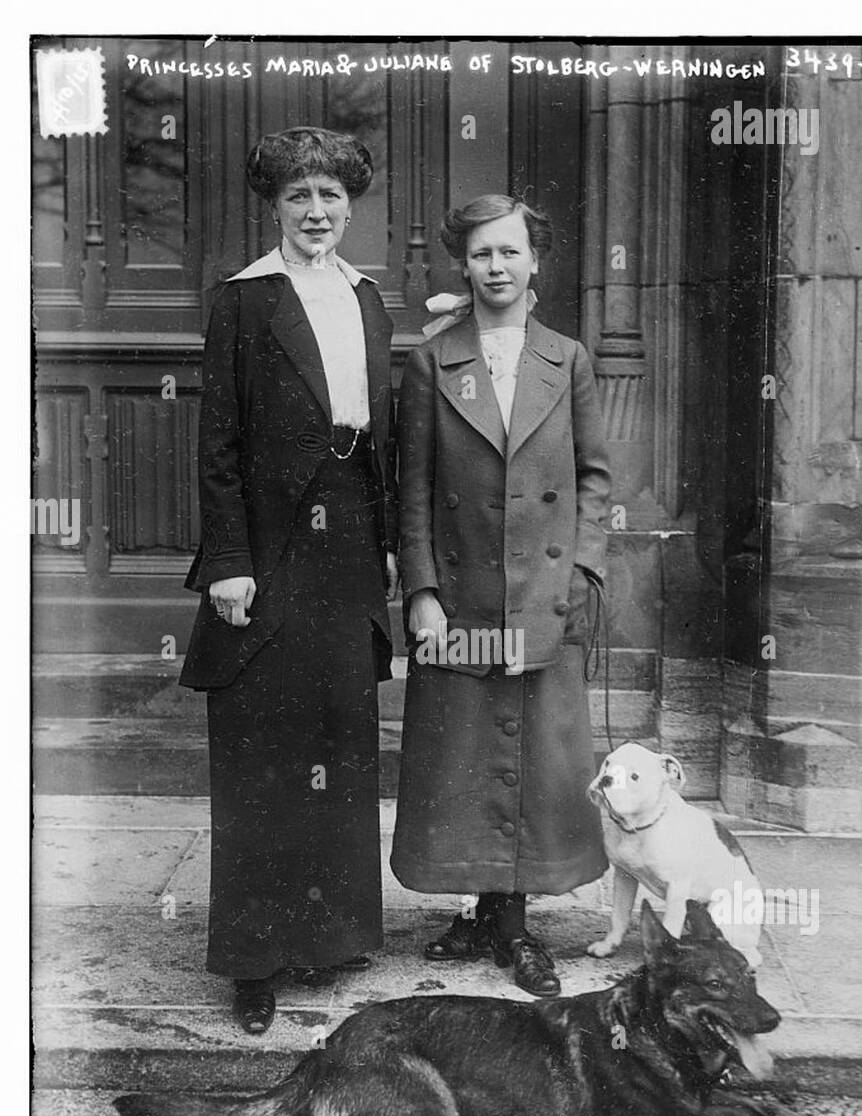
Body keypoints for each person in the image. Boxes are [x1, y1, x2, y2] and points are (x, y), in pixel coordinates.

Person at [180, 127, 398, 1034]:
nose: (318, 213)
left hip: (349, 537)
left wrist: (386, 546)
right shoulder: (244, 300)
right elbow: (220, 444)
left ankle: (330, 935)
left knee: (338, 742)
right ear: (275, 207)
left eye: (332, 198)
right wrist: (228, 563)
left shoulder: (369, 298)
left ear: (352, 207)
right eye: (300, 197)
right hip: (270, 547)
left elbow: (380, 433)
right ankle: (256, 957)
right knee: (264, 747)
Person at [390, 194, 610, 997]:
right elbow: (411, 489)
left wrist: (584, 569)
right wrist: (421, 590)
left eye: (510, 253)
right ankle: (488, 910)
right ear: (463, 264)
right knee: (471, 750)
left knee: (536, 755)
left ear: (535, 261)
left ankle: (515, 923)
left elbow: (593, 477)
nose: (496, 268)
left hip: (543, 593)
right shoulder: (432, 360)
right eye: (482, 254)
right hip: (462, 595)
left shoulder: (570, 359)